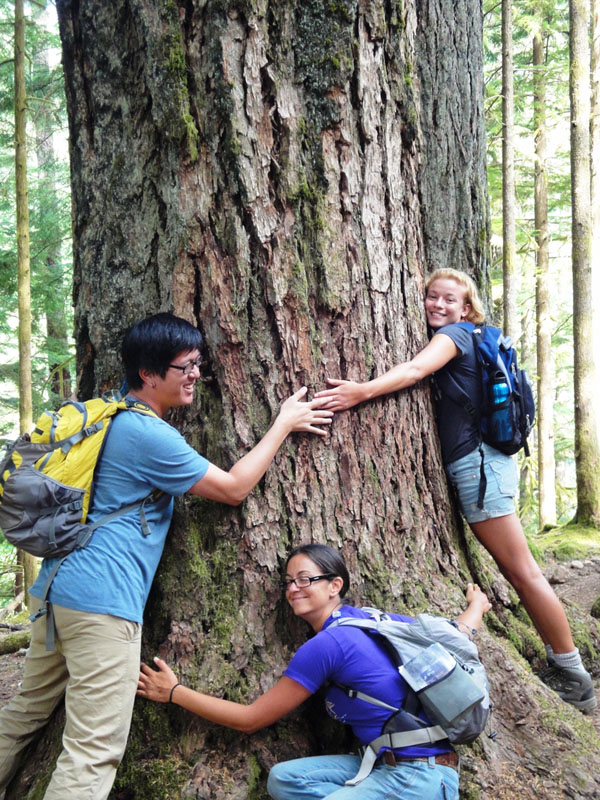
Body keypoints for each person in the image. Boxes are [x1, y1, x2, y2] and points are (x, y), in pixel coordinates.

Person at [0, 313, 333, 800]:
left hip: (58, 590)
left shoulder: (109, 414)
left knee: (26, 712)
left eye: (198, 363)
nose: (196, 374)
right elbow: (234, 488)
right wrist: (282, 424)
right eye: (186, 367)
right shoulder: (147, 435)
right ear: (149, 376)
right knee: (93, 748)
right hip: (101, 602)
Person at [314, 268, 596, 713]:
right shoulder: (469, 335)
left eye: (449, 299)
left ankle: (572, 674)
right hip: (483, 465)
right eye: (432, 296)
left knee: (523, 572)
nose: (438, 305)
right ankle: (568, 666)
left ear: (466, 308)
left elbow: (414, 368)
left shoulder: (459, 336)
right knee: (522, 570)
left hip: (480, 467)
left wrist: (360, 392)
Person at [137, 542, 491, 799]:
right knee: (284, 780)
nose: (293, 589)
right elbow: (457, 634)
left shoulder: (327, 645)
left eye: (305, 579)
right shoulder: (369, 618)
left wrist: (173, 692)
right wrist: (476, 607)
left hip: (416, 780)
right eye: (289, 581)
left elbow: (250, 719)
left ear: (335, 585)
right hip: (393, 766)